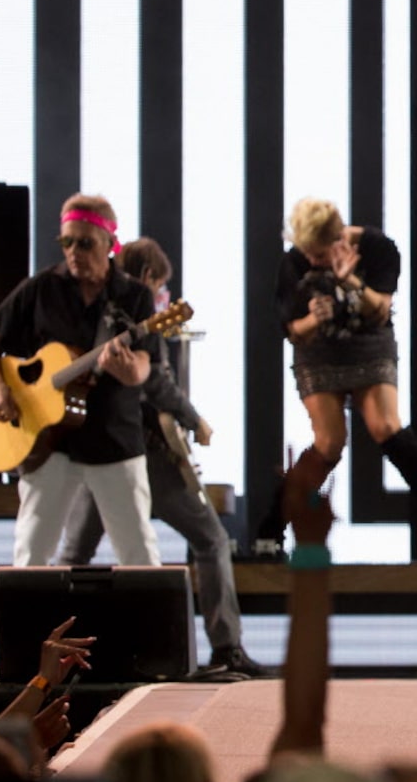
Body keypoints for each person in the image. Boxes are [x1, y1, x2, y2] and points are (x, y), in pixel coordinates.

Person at [58, 238, 267, 676]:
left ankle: (47, 648)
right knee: (210, 539)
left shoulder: (99, 316)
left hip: (103, 455)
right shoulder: (139, 320)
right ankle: (225, 648)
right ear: (149, 279)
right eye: (161, 287)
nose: (165, 298)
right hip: (146, 457)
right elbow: (158, 389)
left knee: (71, 558)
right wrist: (195, 420)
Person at [257, 198, 417, 560]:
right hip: (319, 352)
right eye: (306, 252)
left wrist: (352, 283)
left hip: (368, 344)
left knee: (386, 426)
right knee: (328, 443)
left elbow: (381, 308)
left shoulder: (377, 248)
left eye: (319, 253)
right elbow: (293, 330)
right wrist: (314, 318)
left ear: (339, 238)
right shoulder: (294, 261)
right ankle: (271, 530)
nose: (311, 261)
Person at [0, 193, 162, 568]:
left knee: (138, 554)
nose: (74, 251)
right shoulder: (41, 288)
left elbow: (145, 365)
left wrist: (128, 371)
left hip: (114, 439)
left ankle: (149, 627)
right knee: (31, 553)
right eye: (67, 242)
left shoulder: (134, 298)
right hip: (48, 442)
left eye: (85, 243)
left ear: (110, 244)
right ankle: (32, 628)